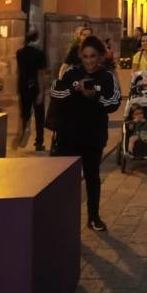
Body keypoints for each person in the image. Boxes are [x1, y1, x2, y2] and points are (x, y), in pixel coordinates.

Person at [49, 35, 121, 232]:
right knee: (67, 181)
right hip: (68, 135)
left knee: (92, 176)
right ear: (81, 56)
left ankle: (93, 217)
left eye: (93, 56)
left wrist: (95, 95)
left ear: (100, 57)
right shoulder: (71, 73)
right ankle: (65, 220)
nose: (89, 60)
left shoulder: (107, 77)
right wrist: (75, 89)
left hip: (93, 136)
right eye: (86, 56)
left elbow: (113, 103)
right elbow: (56, 93)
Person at [15, 28, 48, 151]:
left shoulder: (20, 53)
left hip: (23, 85)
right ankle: (39, 142)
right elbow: (41, 73)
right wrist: (41, 91)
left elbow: (19, 71)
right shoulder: (39, 53)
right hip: (35, 86)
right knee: (39, 115)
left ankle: (24, 130)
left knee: (25, 112)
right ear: (37, 39)